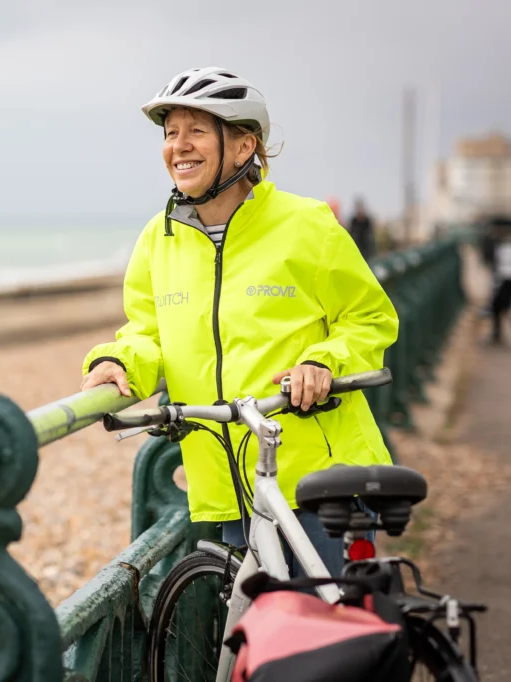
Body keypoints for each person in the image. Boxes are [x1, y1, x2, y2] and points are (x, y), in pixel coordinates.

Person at [79, 67, 399, 577]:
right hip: (232, 479)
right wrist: (116, 361)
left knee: (325, 639)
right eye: (170, 133)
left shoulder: (307, 225)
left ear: (245, 145)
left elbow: (370, 318)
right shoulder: (157, 240)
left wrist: (323, 361)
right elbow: (147, 332)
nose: (178, 146)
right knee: (256, 640)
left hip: (319, 476)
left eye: (196, 131)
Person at [485, 218, 511, 344]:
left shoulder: (503, 244)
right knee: (497, 307)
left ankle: (497, 334)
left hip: (505, 280)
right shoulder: (498, 243)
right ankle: (497, 333)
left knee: (500, 307)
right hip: (502, 279)